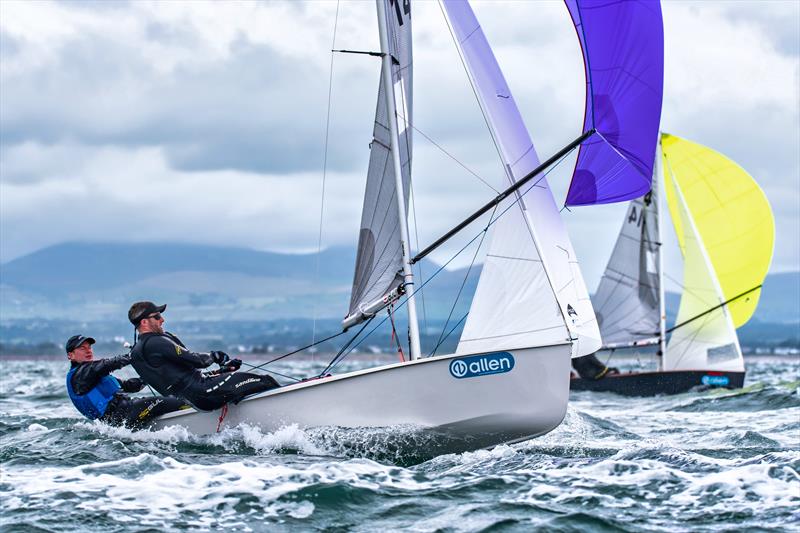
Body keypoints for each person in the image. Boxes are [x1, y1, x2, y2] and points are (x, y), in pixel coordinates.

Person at [127, 301, 280, 411]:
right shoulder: (156, 342)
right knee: (266, 381)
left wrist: (222, 371)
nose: (162, 319)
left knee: (242, 386)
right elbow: (197, 361)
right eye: (157, 316)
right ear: (145, 322)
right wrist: (215, 356)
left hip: (192, 400)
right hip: (203, 392)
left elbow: (180, 377)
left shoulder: (135, 353)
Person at [65, 334, 191, 427]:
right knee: (171, 401)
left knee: (165, 399)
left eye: (89, 347)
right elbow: (108, 364)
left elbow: (128, 386)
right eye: (82, 348)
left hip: (122, 418)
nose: (88, 350)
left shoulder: (90, 375)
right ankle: (199, 407)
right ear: (70, 355)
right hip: (124, 416)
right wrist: (133, 356)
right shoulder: (81, 374)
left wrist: (147, 379)